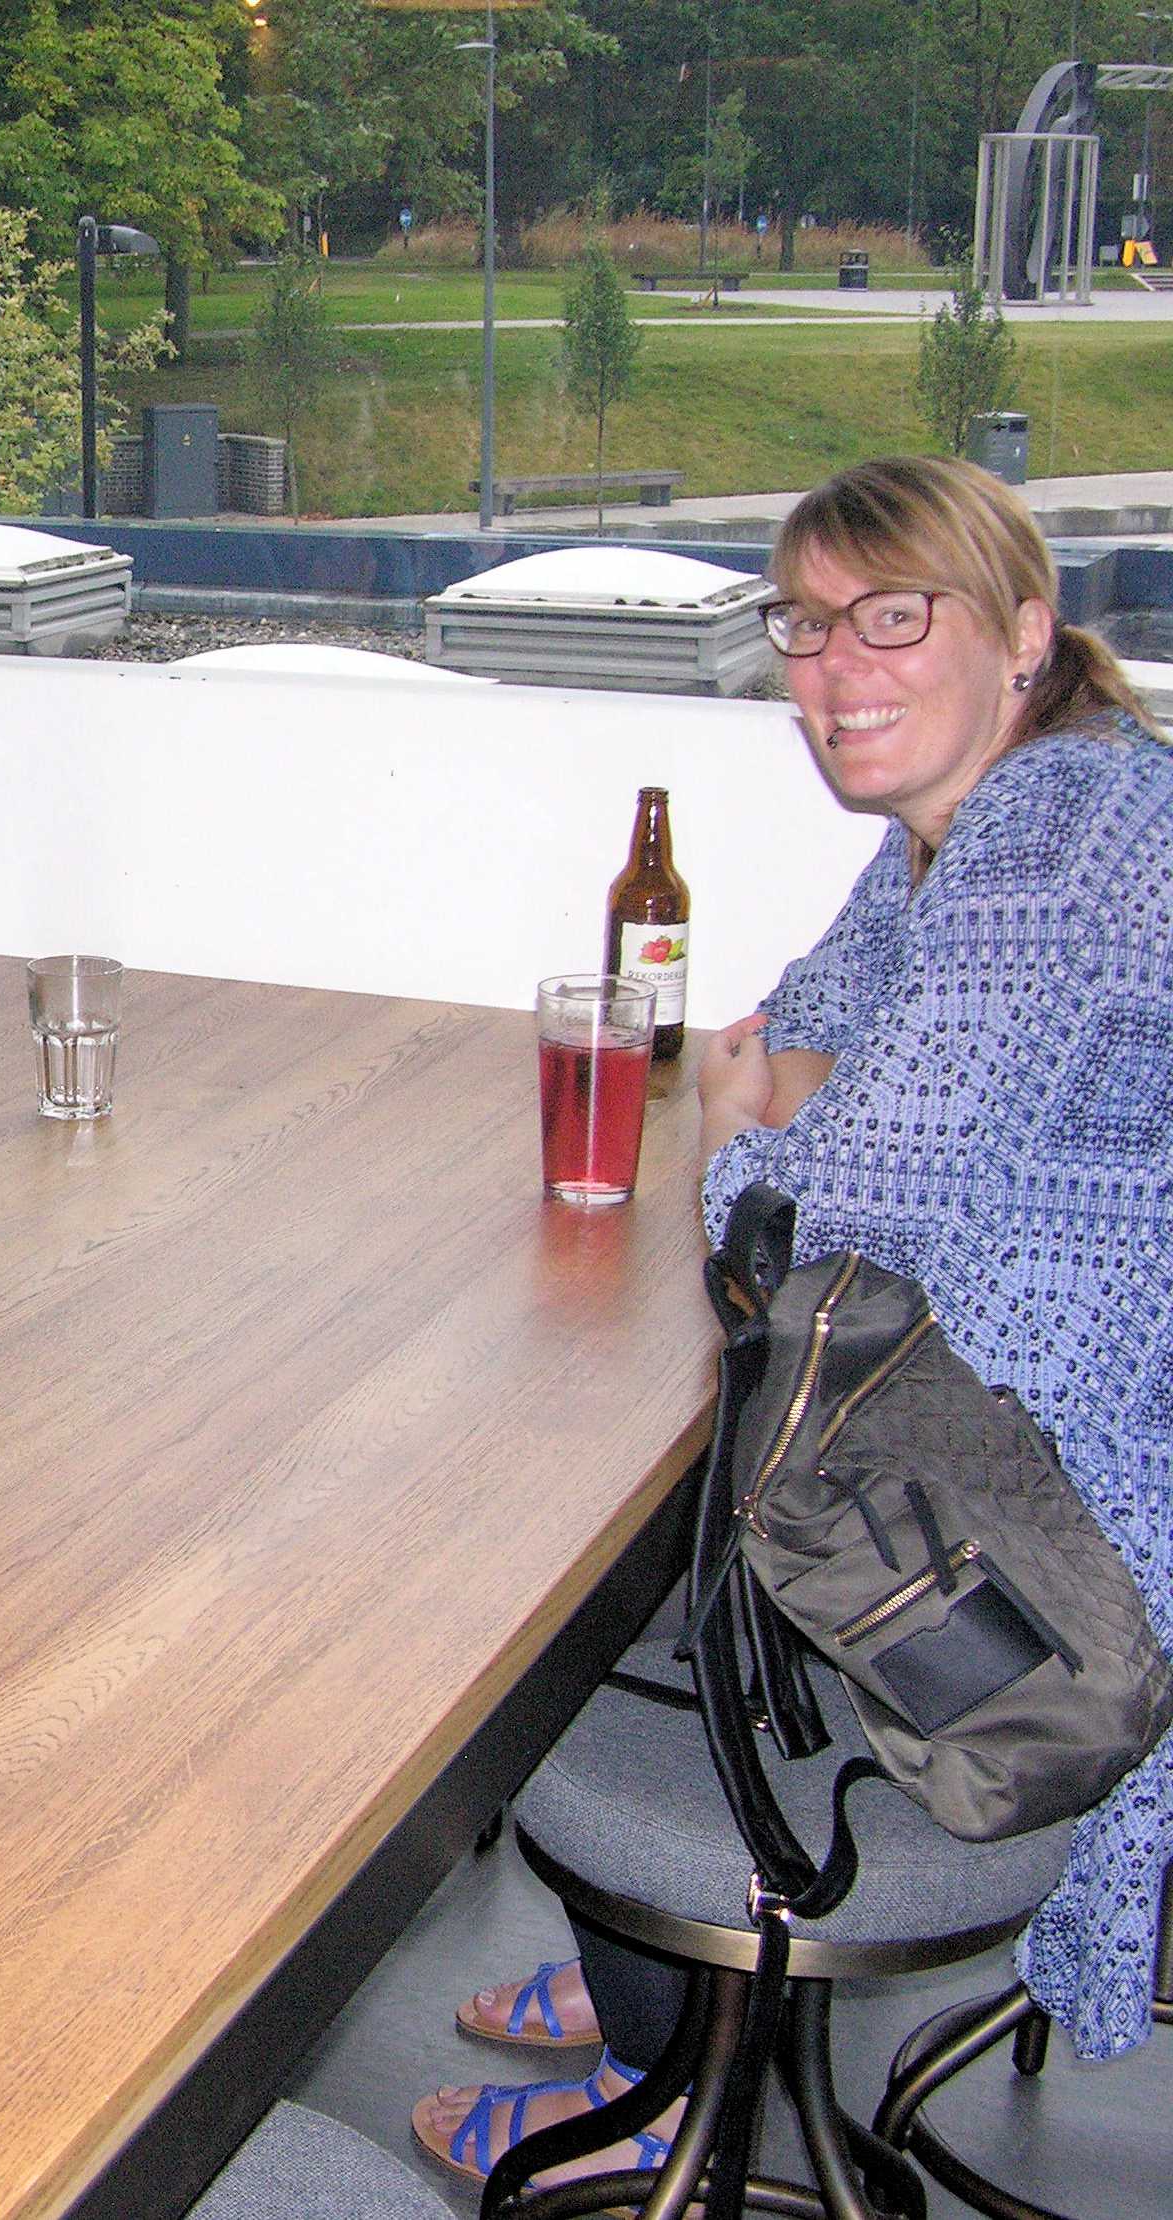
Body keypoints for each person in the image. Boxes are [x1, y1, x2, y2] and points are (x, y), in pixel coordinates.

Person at [419, 454, 1173, 2186]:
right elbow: (790, 1039)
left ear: (1025, 632)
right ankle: (657, 1986)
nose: (837, 671)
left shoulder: (1063, 836)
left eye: (893, 619)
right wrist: (779, 1113)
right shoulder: (967, 828)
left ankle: (670, 2063)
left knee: (559, 1585)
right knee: (637, 1487)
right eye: (809, 627)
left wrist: (755, 1126)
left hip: (1064, 1561)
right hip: (986, 1441)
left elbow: (797, 1198)